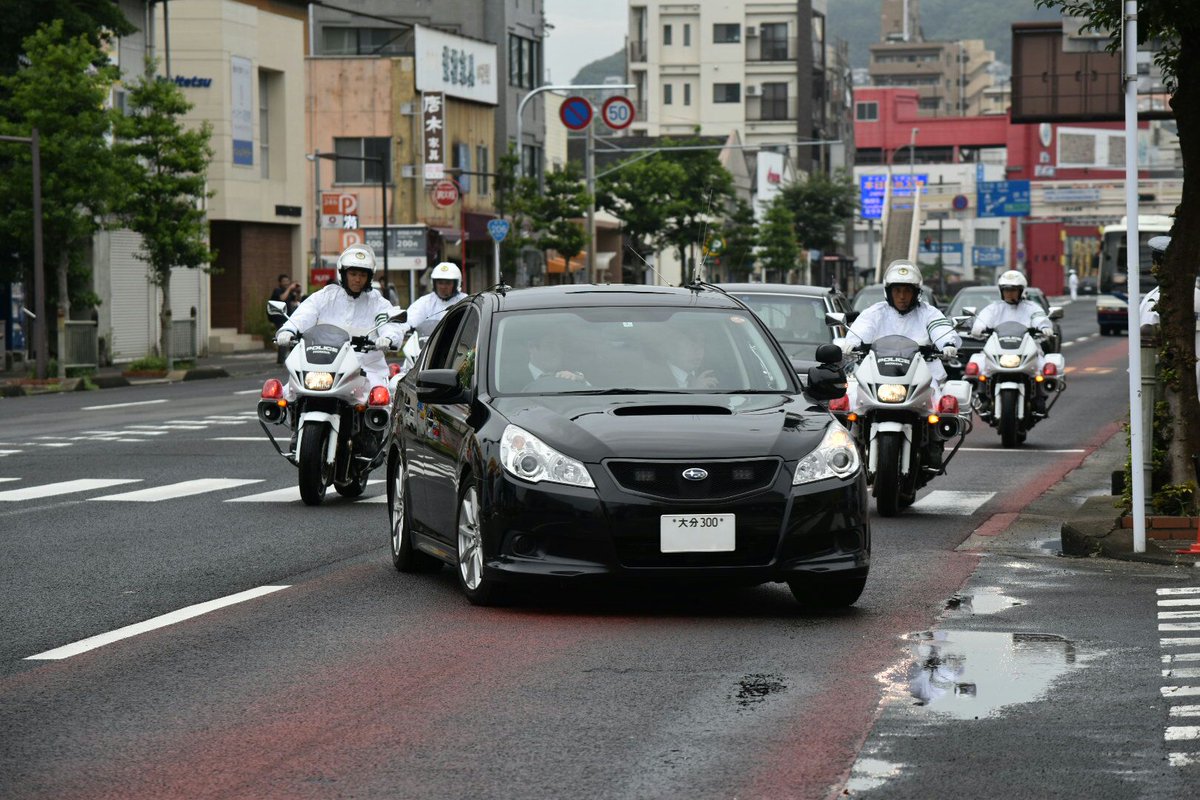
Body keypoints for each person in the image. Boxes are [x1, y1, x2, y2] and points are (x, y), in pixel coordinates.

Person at [843, 260, 960, 467]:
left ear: (917, 292)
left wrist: (947, 343)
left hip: (922, 372)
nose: (903, 296)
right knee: (848, 403)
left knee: (938, 406)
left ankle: (933, 444)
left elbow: (940, 328)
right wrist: (851, 342)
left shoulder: (928, 313)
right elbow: (861, 328)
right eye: (897, 290)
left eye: (907, 290)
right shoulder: (875, 312)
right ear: (889, 291)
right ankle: (849, 448)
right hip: (877, 372)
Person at [274, 244, 403, 402]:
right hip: (324, 363)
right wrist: (288, 330)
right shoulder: (326, 296)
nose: (357, 279)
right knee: (287, 397)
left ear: (369, 277)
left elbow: (388, 324)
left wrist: (388, 338)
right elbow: (304, 314)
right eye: (353, 273)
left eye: (362, 275)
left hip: (366, 367)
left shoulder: (378, 303)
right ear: (343, 274)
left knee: (380, 402)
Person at [969, 269, 1056, 418]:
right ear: (1001, 291)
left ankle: (1040, 400)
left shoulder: (1031, 307)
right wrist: (977, 328)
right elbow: (982, 319)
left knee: (1042, 367)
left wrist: (1045, 327)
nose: (1010, 293)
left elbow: (1039, 317)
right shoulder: (994, 308)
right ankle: (984, 399)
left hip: (1028, 348)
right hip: (999, 349)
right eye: (1006, 290)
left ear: (1021, 291)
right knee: (979, 366)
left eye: (1013, 290)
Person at [402, 261, 469, 340]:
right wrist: (404, 328)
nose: (443, 287)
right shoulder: (426, 302)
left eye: (447, 283)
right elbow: (411, 318)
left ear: (456, 284)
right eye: (440, 283)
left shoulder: (466, 301)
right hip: (430, 347)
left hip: (459, 345)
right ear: (434, 283)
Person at [269, 274, 302, 364]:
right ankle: (281, 361)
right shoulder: (277, 290)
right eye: (284, 281)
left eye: (287, 281)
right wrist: (290, 288)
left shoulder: (290, 291)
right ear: (280, 282)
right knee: (283, 339)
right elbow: (282, 298)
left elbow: (297, 301)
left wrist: (298, 292)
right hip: (280, 319)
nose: (286, 283)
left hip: (289, 319)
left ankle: (293, 361)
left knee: (293, 339)